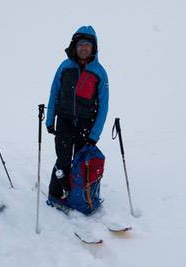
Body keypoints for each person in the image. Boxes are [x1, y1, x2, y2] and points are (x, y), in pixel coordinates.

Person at [45, 26, 109, 207]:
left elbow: (104, 106)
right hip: (64, 121)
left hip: (85, 124)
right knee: (63, 160)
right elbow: (54, 93)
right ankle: (56, 195)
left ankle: (79, 196)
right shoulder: (65, 67)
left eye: (87, 44)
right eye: (81, 44)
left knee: (82, 162)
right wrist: (50, 120)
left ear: (93, 47)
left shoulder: (99, 73)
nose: (83, 48)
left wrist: (94, 134)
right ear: (75, 45)